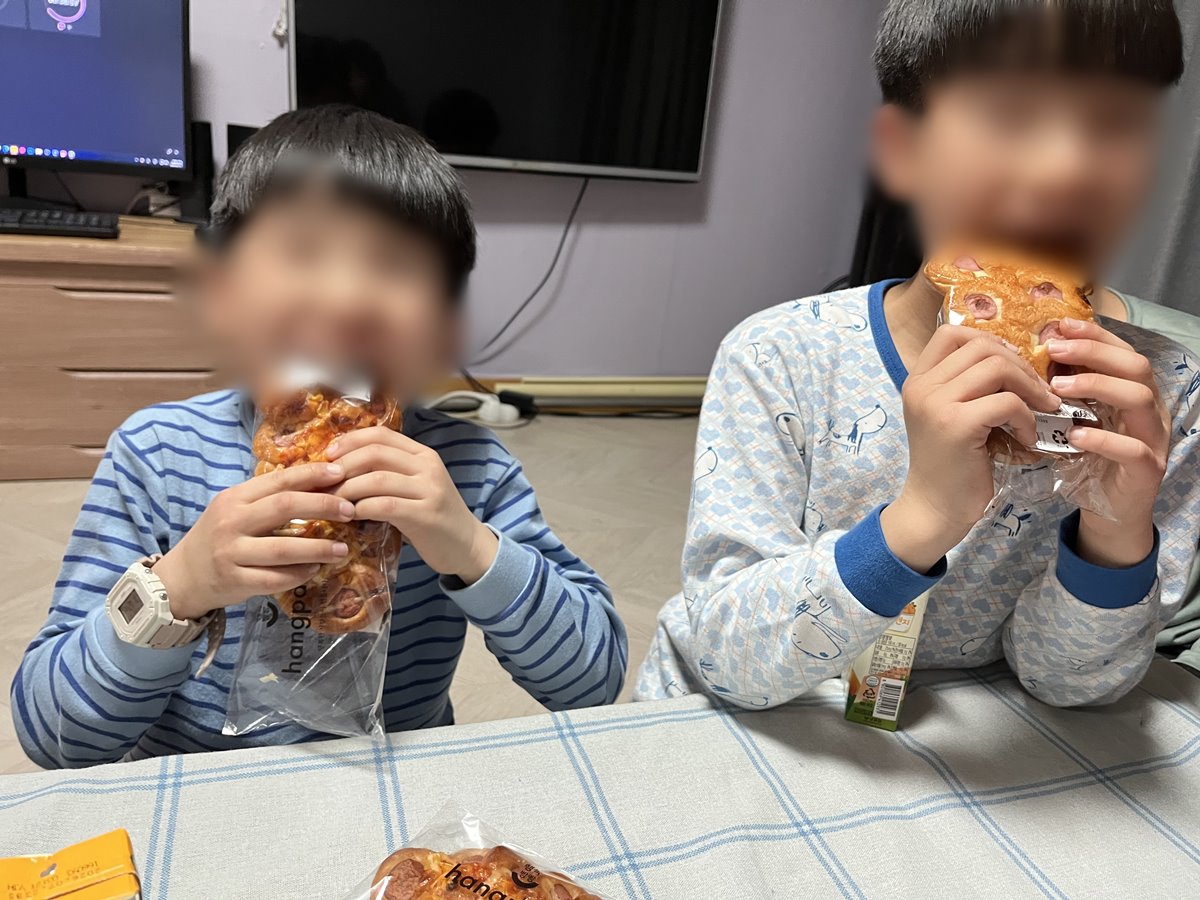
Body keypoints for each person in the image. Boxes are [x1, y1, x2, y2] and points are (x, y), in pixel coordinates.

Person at [12, 105, 626, 768]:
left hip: (393, 779)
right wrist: (180, 585)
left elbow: (592, 684)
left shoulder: (472, 471)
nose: (347, 297)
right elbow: (53, 737)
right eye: (302, 253)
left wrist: (471, 546)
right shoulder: (157, 455)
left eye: (397, 264)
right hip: (198, 785)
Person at [636, 0, 1199, 709]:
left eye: (1118, 123)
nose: (1069, 168)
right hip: (737, 718)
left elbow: (1067, 687)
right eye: (1012, 116)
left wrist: (1114, 537)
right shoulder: (780, 357)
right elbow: (729, 659)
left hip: (968, 739)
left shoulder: (1162, 396)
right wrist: (923, 513)